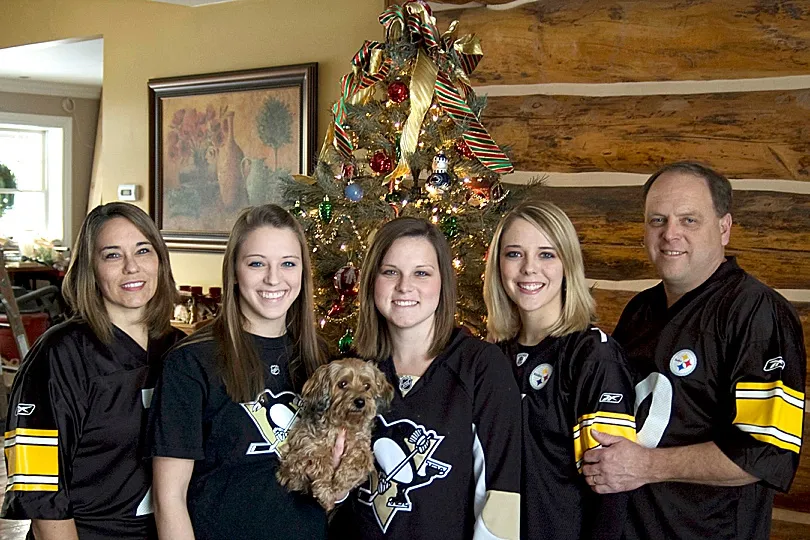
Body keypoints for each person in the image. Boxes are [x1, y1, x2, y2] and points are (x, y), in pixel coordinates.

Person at [582, 162, 806, 540]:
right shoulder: (640, 309)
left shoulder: (756, 312)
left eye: (689, 220)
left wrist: (648, 466)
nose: (670, 234)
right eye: (658, 220)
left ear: (724, 227)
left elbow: (765, 451)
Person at [1, 202, 185, 540]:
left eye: (143, 250)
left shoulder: (180, 351)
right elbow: (39, 486)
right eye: (112, 255)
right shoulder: (60, 355)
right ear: (90, 268)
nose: (132, 267)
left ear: (160, 260)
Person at [149, 204, 333, 540]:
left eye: (288, 264)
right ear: (234, 270)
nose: (274, 278)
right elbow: (168, 498)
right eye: (257, 263)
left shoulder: (322, 361)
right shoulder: (191, 363)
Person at [331, 217, 521, 540]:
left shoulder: (481, 367)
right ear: (372, 282)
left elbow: (501, 500)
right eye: (390, 272)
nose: (405, 286)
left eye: (421, 273)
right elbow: (327, 494)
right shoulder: (352, 373)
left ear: (442, 283)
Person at [483, 200, 637, 540]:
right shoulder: (491, 356)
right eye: (514, 254)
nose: (529, 269)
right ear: (498, 266)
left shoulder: (592, 356)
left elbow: (612, 495)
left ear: (568, 264)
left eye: (546, 254)